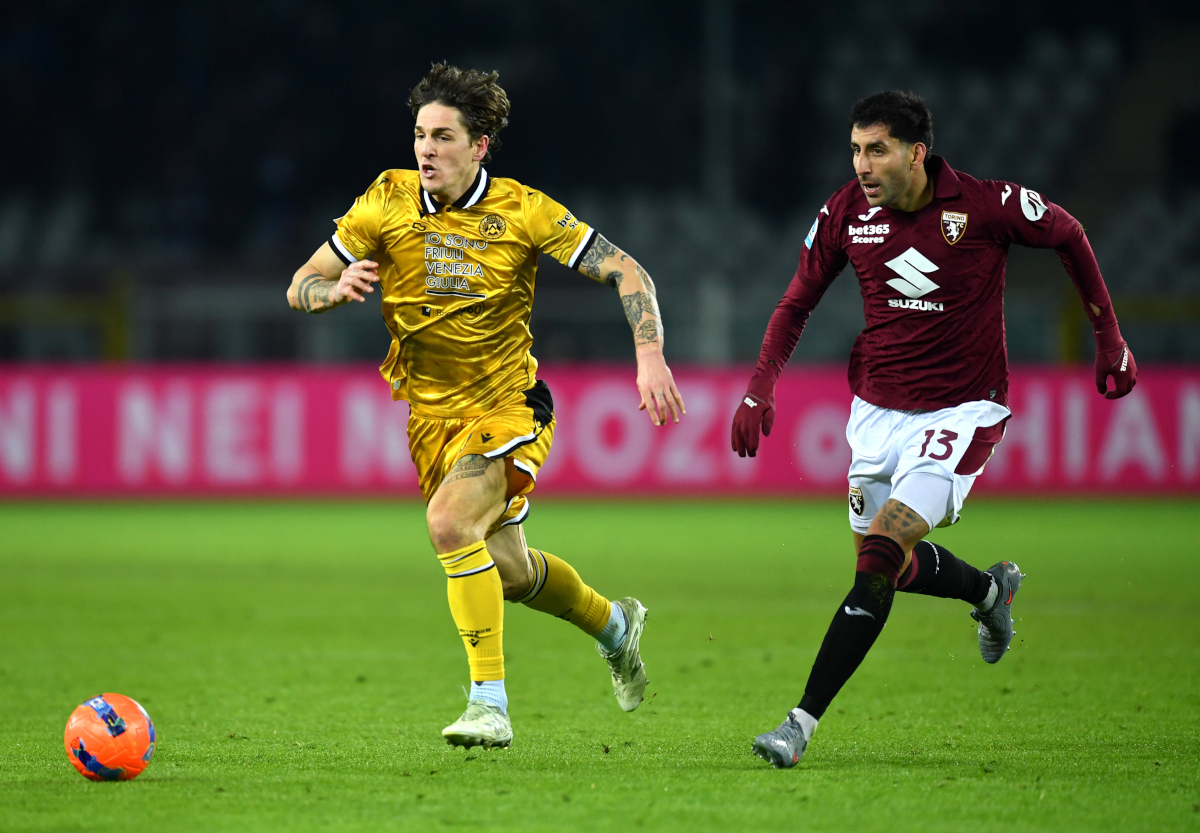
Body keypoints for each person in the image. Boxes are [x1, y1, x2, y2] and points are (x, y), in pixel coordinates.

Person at [731, 90, 1137, 768]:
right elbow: (796, 301)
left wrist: (1108, 336)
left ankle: (798, 723)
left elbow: (1068, 231)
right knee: (887, 565)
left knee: (880, 552)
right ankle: (989, 589)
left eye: (877, 149)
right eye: (856, 149)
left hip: (962, 410)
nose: (861, 164)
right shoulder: (844, 213)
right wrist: (760, 383)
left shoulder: (983, 206)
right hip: (877, 412)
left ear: (916, 153)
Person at [287, 63, 686, 750]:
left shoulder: (525, 211)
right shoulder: (384, 200)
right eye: (419, 135)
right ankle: (616, 625)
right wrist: (332, 288)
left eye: (443, 136)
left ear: (481, 146)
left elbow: (628, 269)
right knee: (510, 572)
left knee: (448, 525)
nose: (426, 150)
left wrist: (648, 354)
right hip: (430, 420)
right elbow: (300, 283)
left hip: (508, 405)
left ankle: (489, 704)